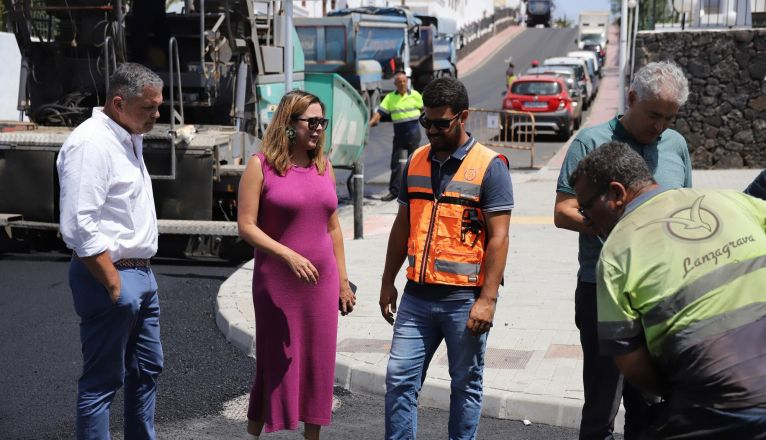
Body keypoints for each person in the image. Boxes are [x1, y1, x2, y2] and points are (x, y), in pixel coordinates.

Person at [571, 141, 766, 439]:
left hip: (720, 409)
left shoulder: (616, 253)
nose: (586, 219)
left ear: (617, 194)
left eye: (586, 207)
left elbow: (631, 363)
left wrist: (677, 394)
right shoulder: (729, 200)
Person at [553, 60, 692, 440]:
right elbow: (563, 210)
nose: (659, 126)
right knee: (601, 406)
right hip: (602, 290)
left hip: (659, 294)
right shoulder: (591, 142)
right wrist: (611, 226)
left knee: (650, 409)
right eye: (653, 115)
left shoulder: (676, 145)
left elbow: (684, 207)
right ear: (630, 98)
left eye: (669, 117)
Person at [379, 77, 514, 439]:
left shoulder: (490, 166)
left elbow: (499, 237)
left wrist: (488, 299)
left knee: (465, 385)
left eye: (442, 123)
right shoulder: (417, 162)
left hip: (463, 299)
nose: (432, 131)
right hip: (416, 296)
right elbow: (402, 226)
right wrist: (386, 281)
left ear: (463, 117)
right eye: (427, 122)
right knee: (399, 381)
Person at [237, 90, 356, 440]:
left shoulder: (324, 166)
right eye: (311, 122)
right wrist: (287, 254)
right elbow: (246, 226)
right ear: (289, 125)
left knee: (319, 365)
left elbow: (333, 227)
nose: (318, 129)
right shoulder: (261, 166)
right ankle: (253, 434)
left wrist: (343, 282)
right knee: (275, 363)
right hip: (277, 283)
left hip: (321, 283)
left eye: (323, 122)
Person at [57, 62, 163, 439]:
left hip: (140, 275)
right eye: (148, 107)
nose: (157, 114)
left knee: (147, 369)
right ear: (119, 103)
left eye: (157, 106)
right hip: (109, 275)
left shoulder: (127, 136)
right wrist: (114, 284)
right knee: (103, 381)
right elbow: (78, 224)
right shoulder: (91, 144)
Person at [369, 71, 424, 202]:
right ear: (395, 84)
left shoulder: (415, 95)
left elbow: (425, 110)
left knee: (414, 163)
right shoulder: (390, 98)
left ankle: (414, 191)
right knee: (395, 165)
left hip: (413, 134)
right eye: (399, 82)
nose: (402, 84)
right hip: (399, 135)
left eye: (404, 81)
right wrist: (370, 123)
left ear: (407, 82)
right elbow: (379, 113)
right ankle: (394, 191)